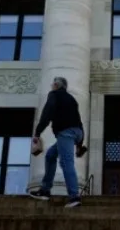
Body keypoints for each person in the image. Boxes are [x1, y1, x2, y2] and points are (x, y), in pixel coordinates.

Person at [28, 76, 86, 208]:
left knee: (66, 162)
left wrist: (37, 132)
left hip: (66, 133)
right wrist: (79, 143)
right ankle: (45, 190)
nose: (51, 86)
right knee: (50, 155)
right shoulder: (71, 99)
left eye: (52, 83)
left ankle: (74, 197)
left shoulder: (54, 95)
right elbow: (79, 120)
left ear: (56, 85)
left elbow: (47, 113)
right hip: (76, 132)